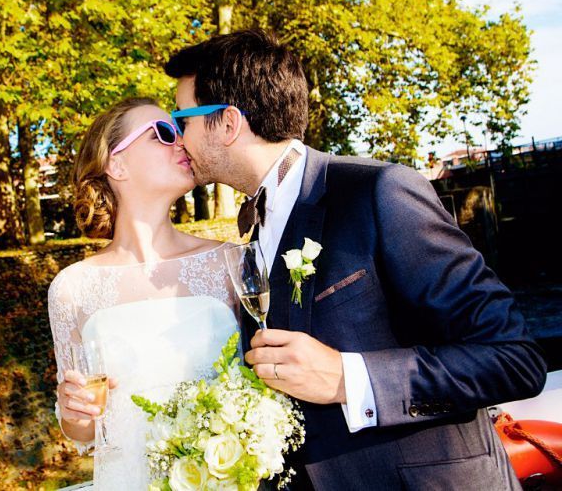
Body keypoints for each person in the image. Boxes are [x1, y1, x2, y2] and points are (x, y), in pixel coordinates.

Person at [164, 29, 547, 489]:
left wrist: (349, 378)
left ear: (228, 123)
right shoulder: (255, 228)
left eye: (181, 119)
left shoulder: (379, 191)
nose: (177, 138)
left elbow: (513, 358)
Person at [47, 97, 239, 489]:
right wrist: (75, 412)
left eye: (179, 130)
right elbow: (83, 432)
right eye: (163, 133)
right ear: (116, 164)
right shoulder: (71, 289)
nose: (181, 141)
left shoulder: (230, 262)